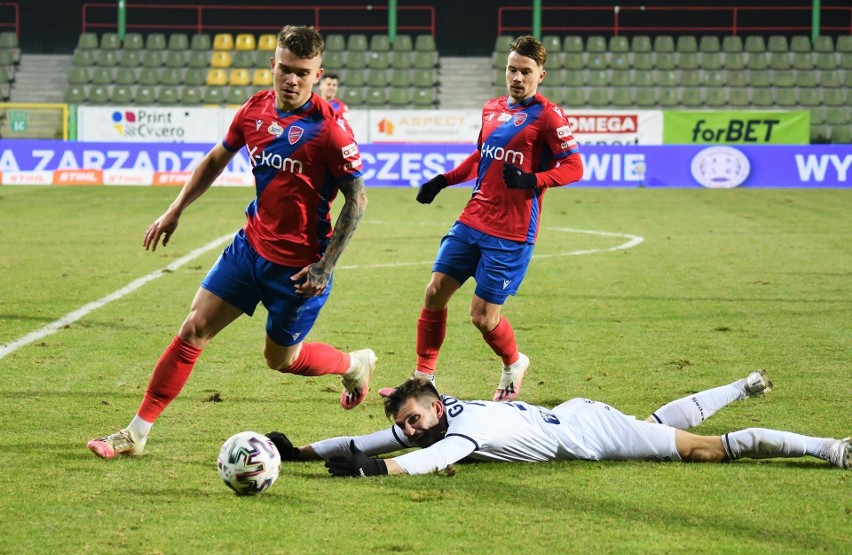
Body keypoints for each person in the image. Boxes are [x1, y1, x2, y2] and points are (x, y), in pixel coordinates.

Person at [88, 25, 375, 459]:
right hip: (250, 247)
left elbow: (358, 199)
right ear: (271, 66)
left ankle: (354, 364)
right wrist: (175, 209)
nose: (291, 79)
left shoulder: (330, 131)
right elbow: (215, 159)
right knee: (194, 328)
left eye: (302, 72)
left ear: (317, 75)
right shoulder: (255, 111)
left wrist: (326, 264)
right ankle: (135, 433)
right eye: (284, 69)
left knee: (281, 360)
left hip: (298, 269)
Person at [409, 35, 584, 402]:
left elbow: (575, 167)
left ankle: (513, 362)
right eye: (512, 69)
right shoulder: (491, 109)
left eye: (526, 72)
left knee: (482, 317)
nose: (517, 77)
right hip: (473, 218)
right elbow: (481, 157)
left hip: (512, 232)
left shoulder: (549, 116)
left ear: (541, 75)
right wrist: (443, 180)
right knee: (434, 292)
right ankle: (423, 378)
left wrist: (533, 180)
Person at [267, 370, 851, 476]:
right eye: (408, 424)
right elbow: (373, 438)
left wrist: (375, 472)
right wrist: (300, 453)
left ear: (437, 408)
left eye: (415, 419)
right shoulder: (442, 417)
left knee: (704, 451)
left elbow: (424, 460)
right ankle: (743, 385)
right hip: (575, 416)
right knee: (655, 428)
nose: (411, 428)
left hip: (590, 434)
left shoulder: (462, 432)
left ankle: (830, 448)